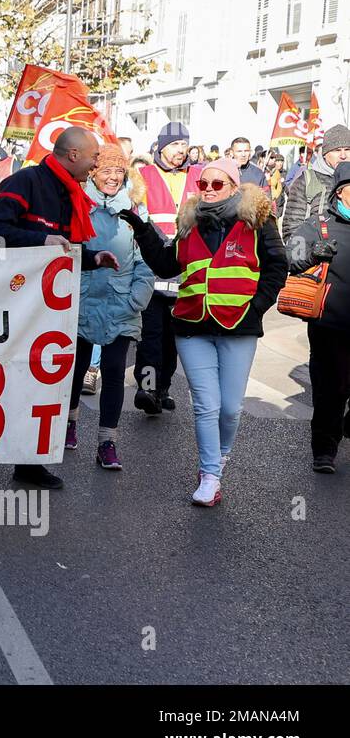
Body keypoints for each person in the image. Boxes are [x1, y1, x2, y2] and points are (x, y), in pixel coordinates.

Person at [121, 157, 286, 506]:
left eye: (217, 184)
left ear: (233, 186)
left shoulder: (259, 221)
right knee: (206, 406)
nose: (208, 190)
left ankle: (219, 458)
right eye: (204, 184)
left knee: (230, 409)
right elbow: (167, 264)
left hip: (238, 328)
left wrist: (255, 307)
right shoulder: (188, 223)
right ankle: (210, 474)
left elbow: (277, 267)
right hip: (192, 325)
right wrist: (142, 228)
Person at [0, 127, 118, 492]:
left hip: (48, 310)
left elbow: (64, 246)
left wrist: (93, 258)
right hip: (9, 307)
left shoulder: (71, 192)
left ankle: (29, 463)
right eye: (93, 157)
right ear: (73, 155)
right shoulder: (25, 182)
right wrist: (39, 239)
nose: (96, 164)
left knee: (39, 388)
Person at [66, 145, 154, 469]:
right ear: (92, 173)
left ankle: (107, 443)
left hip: (122, 304)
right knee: (76, 367)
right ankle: (69, 423)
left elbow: (147, 260)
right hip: (83, 302)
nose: (114, 177)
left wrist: (137, 298)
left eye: (119, 172)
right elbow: (66, 254)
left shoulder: (134, 212)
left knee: (115, 371)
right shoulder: (77, 206)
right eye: (107, 171)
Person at [287, 160, 350, 471]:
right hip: (329, 323)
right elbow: (292, 257)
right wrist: (314, 253)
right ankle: (324, 449)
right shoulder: (318, 225)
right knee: (330, 388)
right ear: (340, 192)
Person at [134, 122, 193, 415]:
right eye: (175, 145)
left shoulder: (197, 176)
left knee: (173, 339)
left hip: (185, 272)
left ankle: (164, 388)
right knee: (151, 336)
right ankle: (147, 388)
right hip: (151, 269)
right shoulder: (143, 176)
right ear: (161, 146)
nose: (180, 152)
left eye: (184, 145)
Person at [282, 124, 350, 240]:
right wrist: (310, 253)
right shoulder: (307, 180)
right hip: (318, 254)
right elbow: (292, 229)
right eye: (337, 150)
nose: (343, 155)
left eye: (348, 149)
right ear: (325, 154)